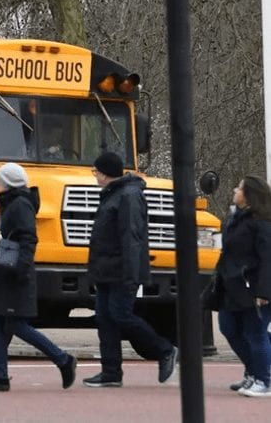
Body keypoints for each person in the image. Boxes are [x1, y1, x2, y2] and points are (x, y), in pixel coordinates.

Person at [0, 163, 77, 392]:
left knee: (17, 325)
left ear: (8, 182)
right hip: (3, 274)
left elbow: (28, 239)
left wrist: (20, 270)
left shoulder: (20, 205)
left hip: (14, 275)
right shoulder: (10, 203)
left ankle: (63, 359)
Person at [83, 152, 178, 387]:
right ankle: (111, 372)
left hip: (121, 271)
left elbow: (132, 236)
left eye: (96, 171)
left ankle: (165, 349)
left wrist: (131, 273)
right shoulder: (114, 195)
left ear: (105, 174)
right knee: (105, 319)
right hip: (107, 269)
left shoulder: (128, 196)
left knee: (120, 314)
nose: (95, 176)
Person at [214, 176, 271, 397]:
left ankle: (263, 379)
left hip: (254, 286)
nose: (235, 190)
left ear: (249, 195)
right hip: (232, 286)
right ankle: (253, 371)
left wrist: (264, 291)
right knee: (229, 328)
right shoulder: (235, 218)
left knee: (255, 332)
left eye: (239, 187)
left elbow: (268, 259)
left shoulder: (263, 223)